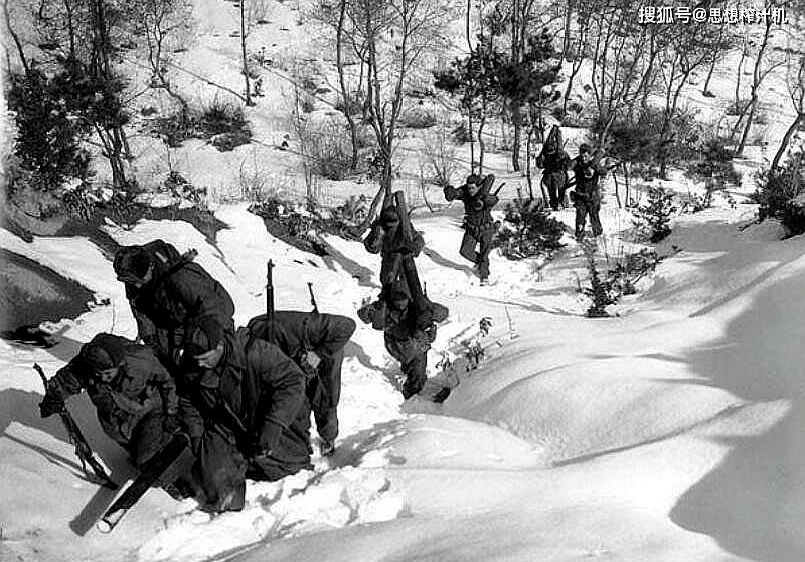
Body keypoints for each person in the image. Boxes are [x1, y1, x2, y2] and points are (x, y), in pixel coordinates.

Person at [177, 326, 312, 513]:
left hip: (266, 416)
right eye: (196, 360)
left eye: (205, 358)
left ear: (219, 347)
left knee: (289, 465)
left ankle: (260, 457)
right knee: (217, 486)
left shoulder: (255, 352)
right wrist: (197, 438)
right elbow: (187, 401)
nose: (199, 364)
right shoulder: (192, 365)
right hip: (226, 426)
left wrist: (274, 424)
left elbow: (294, 380)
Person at [39, 333, 183, 470]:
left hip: (149, 410)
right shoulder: (86, 365)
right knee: (135, 449)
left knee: (147, 460)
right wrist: (52, 398)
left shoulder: (141, 360)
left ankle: (168, 478)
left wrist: (171, 412)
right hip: (117, 422)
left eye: (108, 373)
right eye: (97, 374)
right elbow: (65, 382)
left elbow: (168, 381)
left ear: (119, 364)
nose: (102, 378)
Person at [112, 240, 235, 374]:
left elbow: (214, 307)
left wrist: (216, 346)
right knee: (167, 365)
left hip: (210, 319)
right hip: (173, 320)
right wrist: (153, 343)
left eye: (140, 280)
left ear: (150, 266)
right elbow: (142, 314)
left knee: (207, 371)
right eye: (133, 282)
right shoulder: (133, 277)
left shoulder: (181, 276)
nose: (137, 286)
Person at [246, 310, 356, 457]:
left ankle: (328, 437)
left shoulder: (309, 327)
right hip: (295, 359)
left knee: (325, 400)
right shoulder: (255, 338)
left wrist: (317, 355)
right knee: (296, 398)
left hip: (326, 355)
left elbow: (347, 325)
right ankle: (301, 442)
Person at [443, 173, 499, 282]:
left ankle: (484, 276)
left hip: (486, 230)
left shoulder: (485, 195)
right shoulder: (465, 193)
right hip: (471, 229)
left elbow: (495, 199)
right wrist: (449, 191)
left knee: (484, 253)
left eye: (473, 188)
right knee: (465, 251)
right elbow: (455, 194)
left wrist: (486, 199)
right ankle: (482, 262)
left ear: (479, 187)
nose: (470, 190)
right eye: (469, 188)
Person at [571, 144, 607, 241]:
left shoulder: (594, 164)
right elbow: (569, 166)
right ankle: (579, 235)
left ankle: (598, 235)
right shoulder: (577, 164)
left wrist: (595, 167)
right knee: (580, 217)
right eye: (582, 156)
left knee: (594, 216)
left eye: (586, 156)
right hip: (581, 196)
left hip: (592, 197)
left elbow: (604, 172)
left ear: (590, 156)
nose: (584, 158)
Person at [535, 127, 571, 210]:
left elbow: (568, 164)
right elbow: (540, 165)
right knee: (552, 190)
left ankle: (560, 202)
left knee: (560, 188)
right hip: (550, 175)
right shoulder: (545, 153)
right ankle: (555, 203)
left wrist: (564, 164)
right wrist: (540, 159)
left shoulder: (561, 153)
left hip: (560, 174)